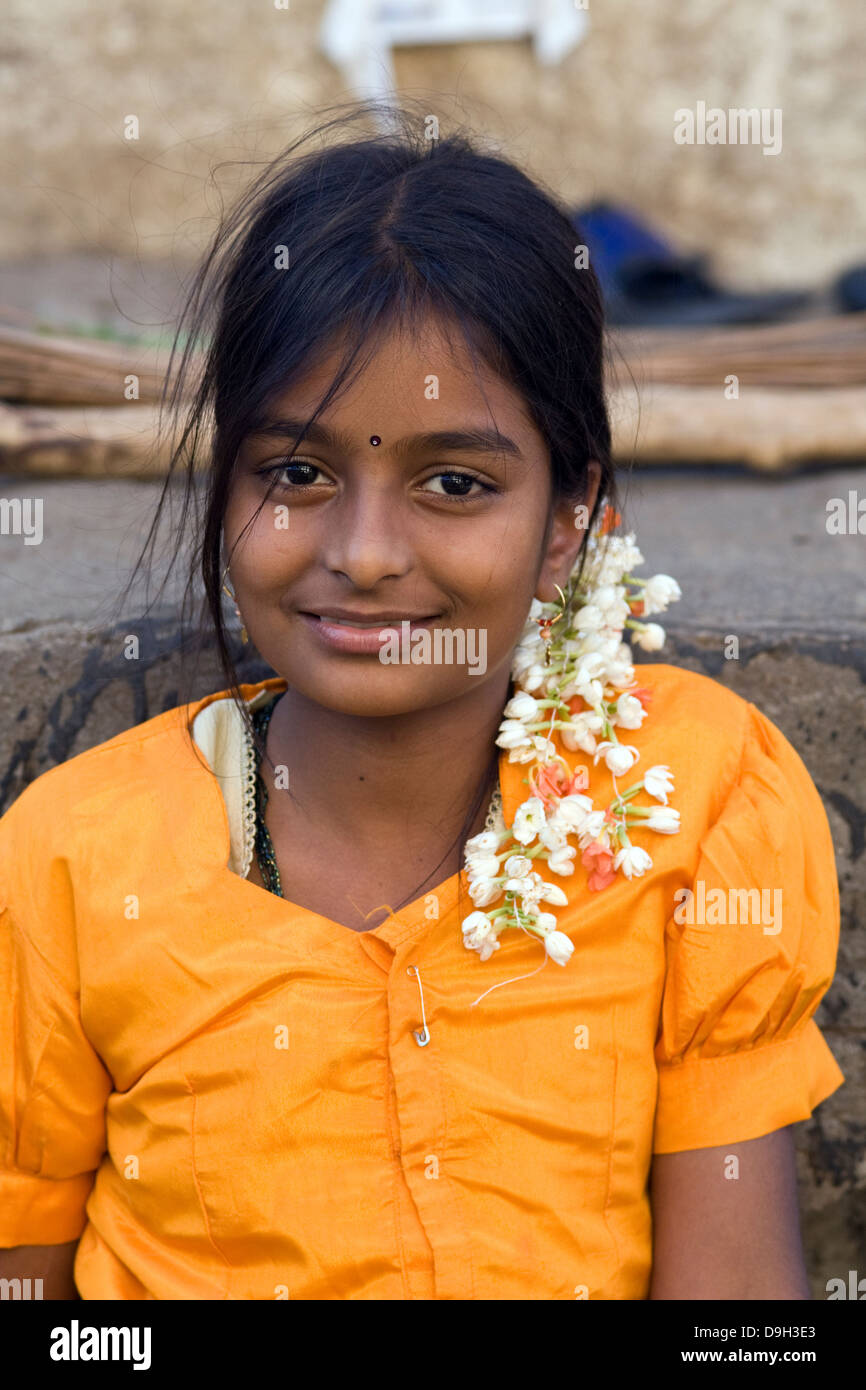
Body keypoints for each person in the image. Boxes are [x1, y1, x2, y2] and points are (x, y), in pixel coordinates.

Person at [0, 102, 844, 1301]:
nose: (364, 550)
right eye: (295, 472)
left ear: (567, 520)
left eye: (454, 481)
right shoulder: (74, 863)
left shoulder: (689, 798)